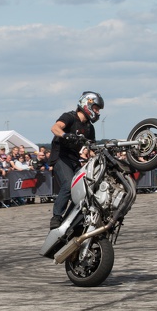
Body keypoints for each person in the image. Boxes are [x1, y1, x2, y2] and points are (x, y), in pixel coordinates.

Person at [48, 91, 103, 229]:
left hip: (74, 159)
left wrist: (98, 155)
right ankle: (56, 217)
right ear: (87, 104)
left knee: (84, 189)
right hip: (60, 156)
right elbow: (55, 128)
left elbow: (90, 149)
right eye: (96, 108)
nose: (97, 112)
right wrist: (65, 135)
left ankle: (71, 218)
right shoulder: (69, 117)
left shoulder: (90, 128)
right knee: (69, 184)